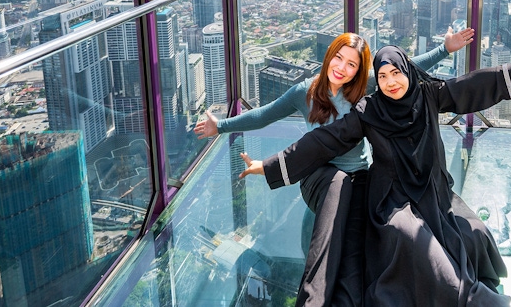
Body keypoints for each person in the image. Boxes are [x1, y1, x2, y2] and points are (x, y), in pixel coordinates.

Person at [239, 33, 511, 306]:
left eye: (396, 73)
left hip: (433, 192)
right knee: (421, 248)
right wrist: (266, 166)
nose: (390, 82)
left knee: (474, 235)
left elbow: (472, 87)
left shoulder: (430, 94)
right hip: (391, 200)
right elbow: (324, 140)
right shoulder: (369, 110)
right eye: (382, 77)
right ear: (375, 81)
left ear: (407, 71)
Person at [194, 28, 474, 306]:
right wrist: (219, 126)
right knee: (335, 203)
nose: (342, 68)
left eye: (351, 64)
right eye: (338, 58)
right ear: (329, 56)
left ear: (358, 70)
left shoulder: (365, 88)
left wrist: (445, 49)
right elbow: (264, 115)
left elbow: (406, 70)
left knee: (357, 245)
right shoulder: (304, 92)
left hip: (359, 178)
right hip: (319, 176)